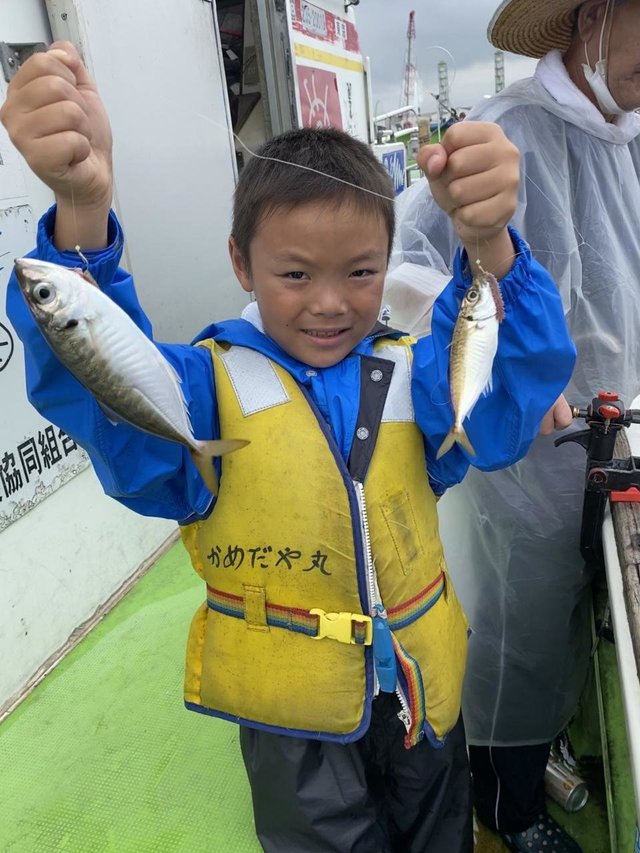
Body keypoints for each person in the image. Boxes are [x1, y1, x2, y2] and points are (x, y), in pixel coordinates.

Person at [1, 43, 575, 853]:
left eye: (363, 271)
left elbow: (506, 404)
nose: (332, 303)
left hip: (424, 699)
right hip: (293, 729)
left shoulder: (419, 376)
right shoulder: (201, 392)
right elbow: (99, 374)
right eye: (296, 274)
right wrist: (81, 211)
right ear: (241, 262)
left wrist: (494, 247)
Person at [393, 0, 640, 850]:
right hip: (522, 459)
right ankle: (507, 804)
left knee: (569, 614)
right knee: (518, 625)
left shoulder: (627, 135)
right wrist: (510, 376)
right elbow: (404, 275)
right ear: (593, 18)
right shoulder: (506, 135)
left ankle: (541, 752)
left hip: (610, 439)